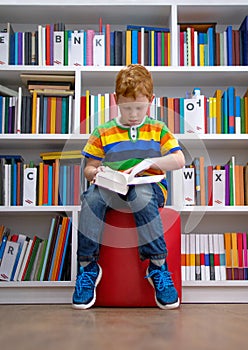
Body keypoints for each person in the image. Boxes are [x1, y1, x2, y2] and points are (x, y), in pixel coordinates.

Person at [72, 64, 185, 310]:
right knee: (91, 199)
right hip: (112, 188)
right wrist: (97, 172)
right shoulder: (103, 131)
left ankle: (157, 266)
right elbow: (89, 168)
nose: (133, 114)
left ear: (151, 101)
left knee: (142, 195)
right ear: (116, 101)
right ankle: (88, 267)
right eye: (127, 107)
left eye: (139, 107)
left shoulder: (158, 129)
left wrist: (150, 161)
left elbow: (179, 160)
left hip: (149, 187)